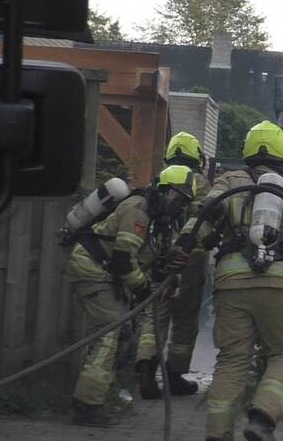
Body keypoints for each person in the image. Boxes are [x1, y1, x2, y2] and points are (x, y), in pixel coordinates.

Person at [170, 121, 283, 441]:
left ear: (247, 150)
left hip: (231, 283)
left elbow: (202, 218)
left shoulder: (228, 181)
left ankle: (217, 433)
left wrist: (182, 249)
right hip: (281, 284)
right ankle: (262, 418)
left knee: (232, 360)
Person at [64, 164, 196, 426]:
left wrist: (167, 262)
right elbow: (124, 258)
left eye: (183, 201)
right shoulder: (139, 209)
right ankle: (86, 406)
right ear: (163, 190)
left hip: (106, 275)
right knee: (109, 333)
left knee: (122, 334)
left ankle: (95, 393)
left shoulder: (158, 219)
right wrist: (142, 288)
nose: (178, 205)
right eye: (176, 197)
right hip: (92, 269)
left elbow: (147, 257)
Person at [134, 132, 212, 398]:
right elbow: (208, 219)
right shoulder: (200, 182)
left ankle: (146, 373)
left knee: (155, 314)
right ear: (196, 156)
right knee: (185, 318)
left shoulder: (161, 180)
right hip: (191, 258)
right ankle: (174, 377)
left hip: (159, 254)